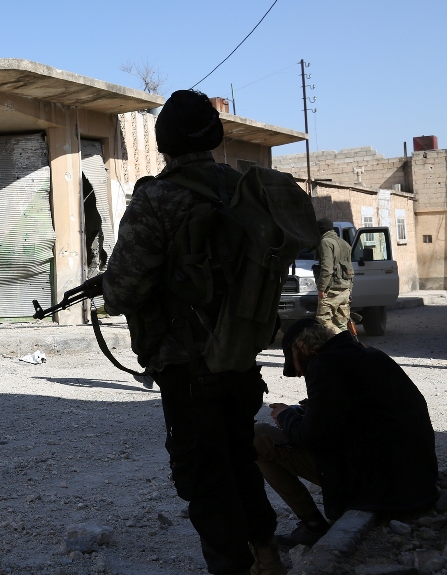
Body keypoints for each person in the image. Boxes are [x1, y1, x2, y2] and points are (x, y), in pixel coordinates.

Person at [103, 90, 285, 575]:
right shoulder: (244, 189)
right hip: (241, 356)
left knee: (204, 475)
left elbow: (122, 289)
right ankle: (267, 555)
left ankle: (232, 566)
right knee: (239, 459)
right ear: (214, 138)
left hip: (188, 364)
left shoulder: (158, 197)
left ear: (164, 143)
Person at [255, 318, 438, 547]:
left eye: (293, 364)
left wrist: (285, 415)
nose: (299, 374)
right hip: (416, 482)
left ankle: (312, 526)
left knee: (258, 437)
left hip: (381, 490)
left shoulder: (325, 365)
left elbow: (312, 438)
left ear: (300, 348)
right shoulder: (365, 353)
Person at [314, 217, 353, 332]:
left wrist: (321, 288)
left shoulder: (325, 242)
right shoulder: (344, 243)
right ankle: (343, 346)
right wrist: (350, 290)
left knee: (323, 320)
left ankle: (337, 340)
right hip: (345, 289)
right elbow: (350, 269)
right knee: (341, 323)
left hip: (331, 290)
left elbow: (327, 268)